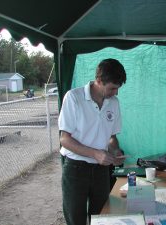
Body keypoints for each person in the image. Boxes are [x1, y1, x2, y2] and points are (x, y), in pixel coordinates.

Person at [58, 58, 127, 225]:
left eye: (118, 88)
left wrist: (115, 152)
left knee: (101, 217)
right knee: (76, 219)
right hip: (76, 168)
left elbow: (112, 138)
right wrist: (95, 153)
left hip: (101, 170)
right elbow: (64, 139)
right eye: (112, 88)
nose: (116, 93)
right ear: (99, 81)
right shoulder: (74, 97)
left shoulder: (114, 103)